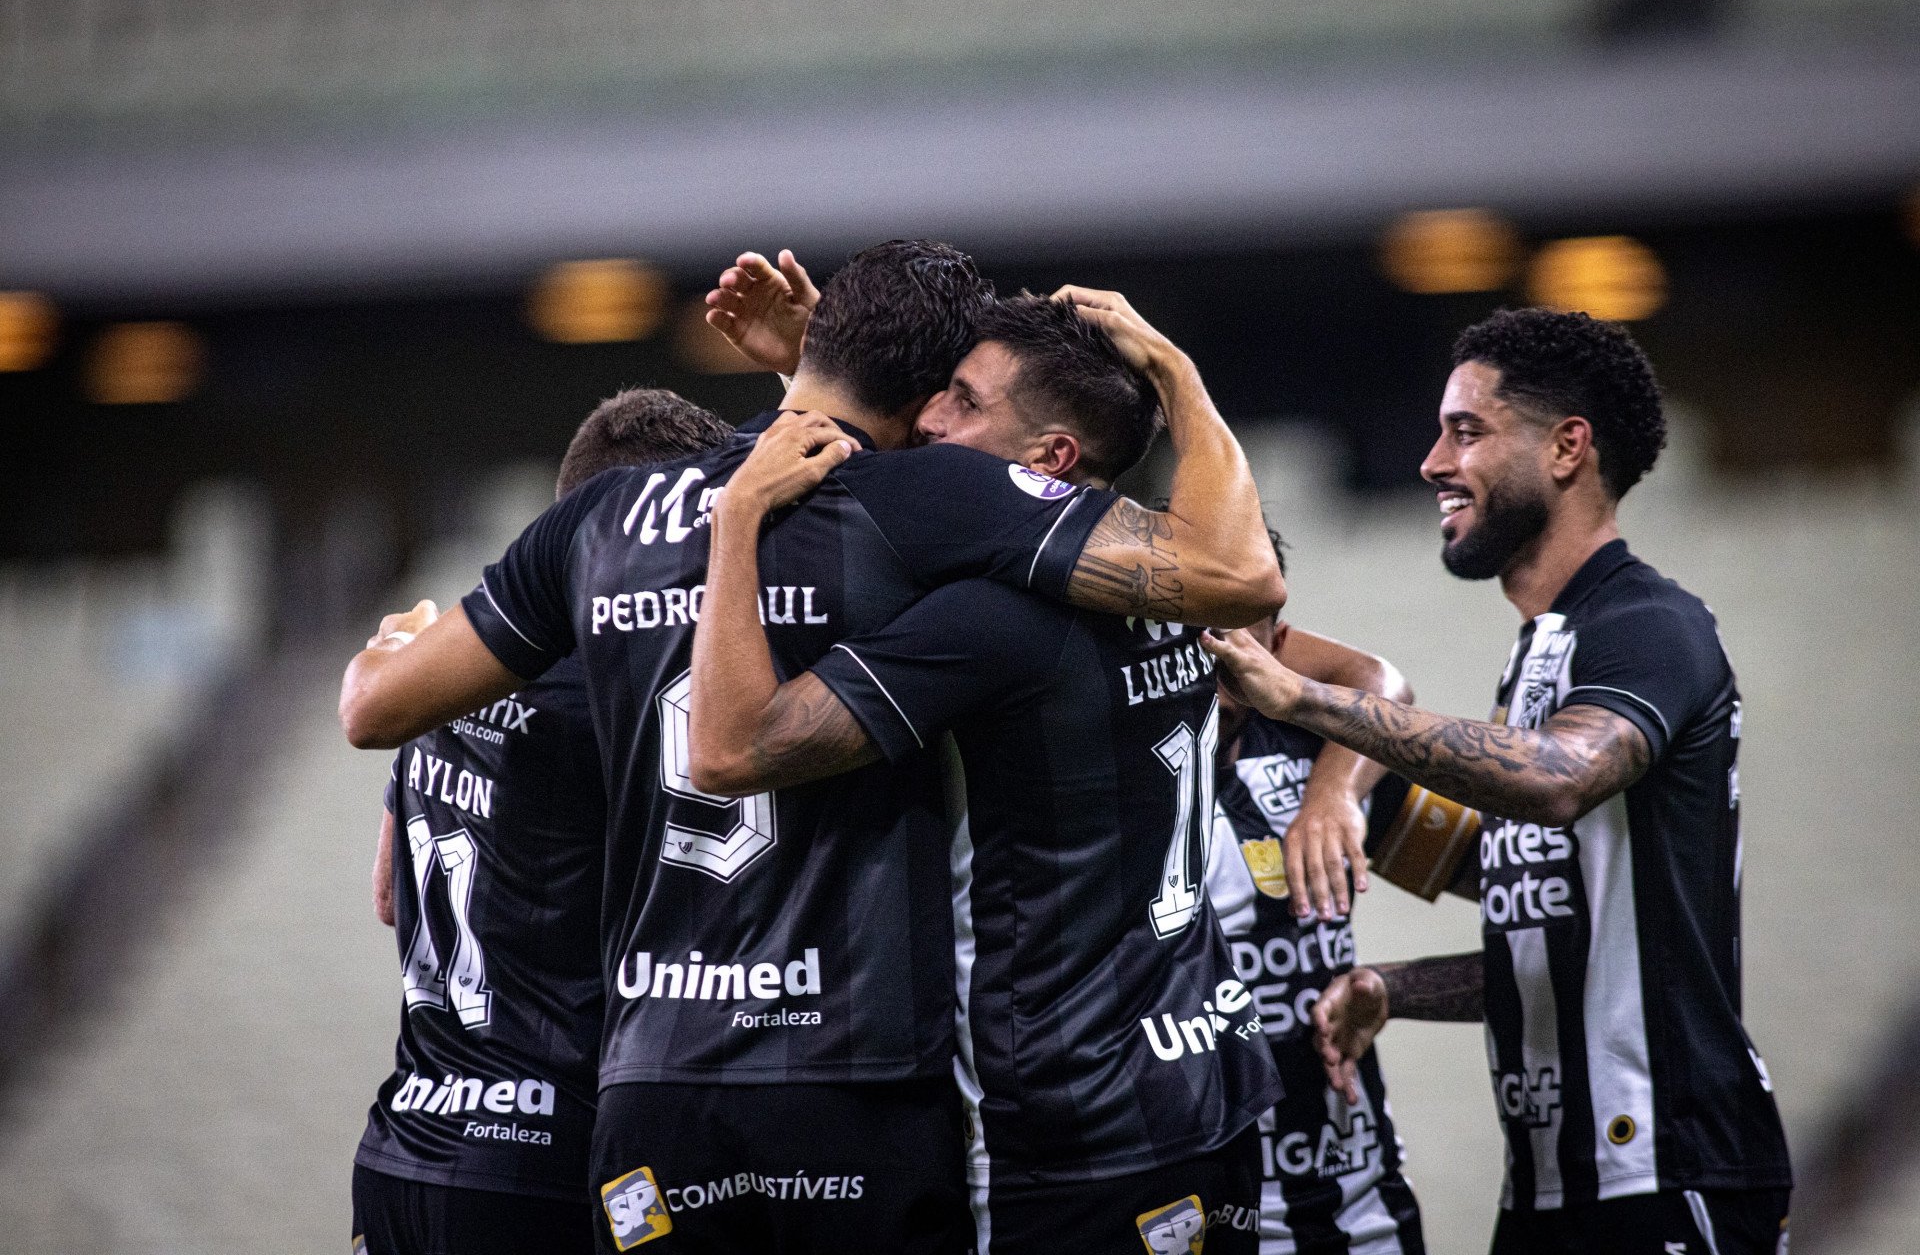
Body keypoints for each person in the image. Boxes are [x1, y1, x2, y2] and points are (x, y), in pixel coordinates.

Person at [338, 240, 1283, 1253]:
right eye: (944, 394)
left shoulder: (596, 519)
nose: (938, 422)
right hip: (861, 1076)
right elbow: (1238, 572)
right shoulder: (931, 504)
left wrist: (402, 710)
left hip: (653, 1085)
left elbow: (374, 709)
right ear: (922, 393)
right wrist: (1174, 372)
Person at [685, 292, 1281, 1255]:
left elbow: (736, 749)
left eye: (961, 401)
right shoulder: (1172, 587)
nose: (926, 418)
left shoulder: (990, 621)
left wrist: (736, 517)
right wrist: (814, 368)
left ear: (1048, 463)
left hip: (1058, 1110)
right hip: (1209, 1082)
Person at [1203, 310, 1792, 1254]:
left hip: (1668, 1171)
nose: (1435, 461)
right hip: (1553, 1185)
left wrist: (1304, 699)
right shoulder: (1540, 655)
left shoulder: (1647, 624)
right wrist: (1392, 989)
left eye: (1466, 431)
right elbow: (1554, 942)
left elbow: (1562, 779)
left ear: (1568, 448)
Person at [352, 389, 733, 1255]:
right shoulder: (617, 690)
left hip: (403, 1147)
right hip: (545, 1159)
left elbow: (389, 897)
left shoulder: (436, 674)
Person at [1201, 542, 1428, 1255]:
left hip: (1363, 1211)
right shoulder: (1107, 776)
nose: (1225, 647)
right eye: (1202, 621)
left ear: (1281, 631)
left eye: (1249, 620)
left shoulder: (1319, 750)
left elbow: (1517, 893)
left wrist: (1397, 987)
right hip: (1197, 1216)